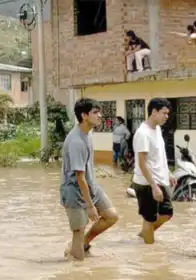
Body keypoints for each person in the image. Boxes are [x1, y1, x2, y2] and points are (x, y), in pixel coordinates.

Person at [60, 98, 119, 260]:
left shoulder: (88, 132)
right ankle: (78, 269)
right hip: (74, 190)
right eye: (95, 112)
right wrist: (90, 205)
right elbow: (79, 176)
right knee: (78, 231)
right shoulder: (76, 141)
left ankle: (83, 244)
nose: (100, 115)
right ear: (84, 116)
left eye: (99, 112)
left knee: (111, 216)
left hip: (90, 185)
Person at [131, 98, 175, 244]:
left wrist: (168, 172)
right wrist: (154, 186)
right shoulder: (142, 133)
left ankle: (145, 234)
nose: (166, 117)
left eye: (167, 114)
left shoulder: (156, 129)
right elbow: (142, 163)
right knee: (149, 218)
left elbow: (159, 155)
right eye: (164, 113)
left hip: (160, 179)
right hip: (146, 183)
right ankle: (149, 252)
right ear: (154, 112)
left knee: (167, 213)